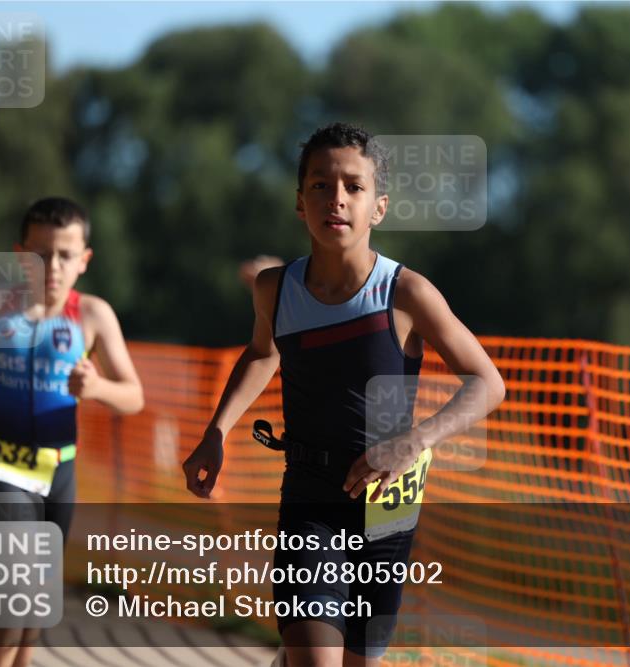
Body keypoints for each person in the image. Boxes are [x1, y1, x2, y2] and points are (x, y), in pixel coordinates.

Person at [182, 123, 505, 667]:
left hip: (389, 502)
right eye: (320, 185)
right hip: (310, 494)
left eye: (353, 187)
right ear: (299, 202)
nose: (336, 199)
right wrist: (216, 433)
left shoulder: (406, 293)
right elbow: (263, 354)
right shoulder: (275, 288)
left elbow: (487, 382)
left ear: (378, 208)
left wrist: (414, 440)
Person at [0, 196, 145, 667]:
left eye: (64, 255)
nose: (51, 266)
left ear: (84, 259)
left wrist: (97, 387)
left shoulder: (93, 315)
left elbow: (133, 395)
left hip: (60, 468)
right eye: (39, 254)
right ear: (20, 255)